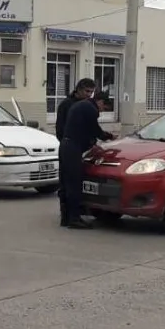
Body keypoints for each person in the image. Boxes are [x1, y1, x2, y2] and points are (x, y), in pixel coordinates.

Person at [60, 91, 115, 229]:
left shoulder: (81, 105)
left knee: (66, 183)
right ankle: (74, 218)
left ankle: (65, 217)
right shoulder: (90, 109)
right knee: (75, 183)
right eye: (104, 107)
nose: (102, 111)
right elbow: (95, 131)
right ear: (100, 101)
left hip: (65, 145)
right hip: (73, 148)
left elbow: (83, 129)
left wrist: (91, 142)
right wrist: (110, 137)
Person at [56, 78, 96, 226]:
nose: (89, 95)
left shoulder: (86, 106)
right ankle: (69, 217)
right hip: (69, 148)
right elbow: (60, 129)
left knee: (73, 183)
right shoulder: (67, 105)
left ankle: (71, 216)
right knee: (68, 183)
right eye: (87, 91)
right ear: (78, 89)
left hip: (78, 148)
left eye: (91, 92)